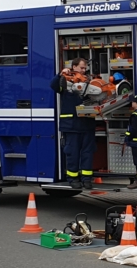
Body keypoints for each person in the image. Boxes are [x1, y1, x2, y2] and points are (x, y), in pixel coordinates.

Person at [50, 57, 96, 189]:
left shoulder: (88, 81)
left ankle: (87, 179)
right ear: (74, 67)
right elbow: (53, 85)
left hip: (87, 124)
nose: (84, 70)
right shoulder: (64, 80)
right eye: (81, 67)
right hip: (71, 125)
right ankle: (73, 179)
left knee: (87, 153)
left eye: (85, 68)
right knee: (72, 153)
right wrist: (60, 74)